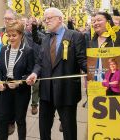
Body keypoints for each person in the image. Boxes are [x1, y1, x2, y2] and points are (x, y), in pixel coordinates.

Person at [26, 7, 87, 140]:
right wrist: (35, 73)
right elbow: (40, 62)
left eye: (49, 18)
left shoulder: (75, 36)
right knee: (44, 129)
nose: (46, 21)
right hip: (46, 92)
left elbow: (83, 61)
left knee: (69, 131)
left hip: (67, 92)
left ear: (60, 19)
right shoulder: (46, 39)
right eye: (45, 19)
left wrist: (97, 71)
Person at [0, 20, 34, 140]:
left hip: (21, 91)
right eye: (9, 35)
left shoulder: (28, 51)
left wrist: (19, 83)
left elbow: (30, 73)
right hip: (5, 89)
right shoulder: (3, 49)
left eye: (14, 35)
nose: (11, 38)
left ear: (21, 35)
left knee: (20, 120)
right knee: (2, 119)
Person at [25, 17, 45, 115]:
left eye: (30, 24)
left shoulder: (41, 36)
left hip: (36, 65)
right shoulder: (23, 36)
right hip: (26, 65)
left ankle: (34, 105)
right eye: (27, 24)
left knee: (36, 86)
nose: (28, 26)